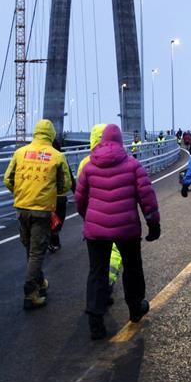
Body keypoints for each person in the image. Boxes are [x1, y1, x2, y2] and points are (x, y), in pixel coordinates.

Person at [75, 124, 160, 340]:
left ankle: (95, 319)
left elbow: (79, 198)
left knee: (97, 272)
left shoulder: (89, 166)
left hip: (95, 231)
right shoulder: (133, 165)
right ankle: (135, 309)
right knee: (132, 268)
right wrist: (153, 224)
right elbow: (147, 198)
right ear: (121, 141)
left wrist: (89, 218)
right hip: (127, 229)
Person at [3, 119, 72, 310]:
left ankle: (39, 281)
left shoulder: (20, 153)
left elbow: (7, 179)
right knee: (36, 251)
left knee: (29, 248)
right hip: (42, 210)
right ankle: (31, 293)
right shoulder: (57, 156)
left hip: (22, 208)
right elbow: (65, 185)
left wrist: (20, 192)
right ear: (51, 134)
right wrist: (49, 191)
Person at [76, 124, 123, 303]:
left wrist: (85, 215)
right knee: (115, 253)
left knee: (96, 261)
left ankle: (96, 300)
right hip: (117, 218)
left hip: (93, 218)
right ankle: (108, 285)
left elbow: (80, 194)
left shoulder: (84, 163)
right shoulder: (122, 158)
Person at [48, 137, 74, 253]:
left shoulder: (44, 158)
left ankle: (53, 241)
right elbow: (69, 177)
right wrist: (75, 192)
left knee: (49, 220)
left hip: (45, 196)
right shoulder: (60, 157)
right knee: (58, 221)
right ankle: (53, 240)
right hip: (60, 197)